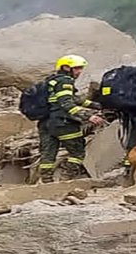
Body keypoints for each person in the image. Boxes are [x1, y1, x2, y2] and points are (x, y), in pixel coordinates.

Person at [38, 55, 106, 183]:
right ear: (66, 67)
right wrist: (88, 116)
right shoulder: (65, 81)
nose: (80, 72)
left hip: (45, 123)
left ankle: (46, 183)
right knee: (78, 152)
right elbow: (67, 104)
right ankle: (66, 179)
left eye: (81, 68)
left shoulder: (51, 81)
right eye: (77, 68)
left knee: (48, 155)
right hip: (63, 123)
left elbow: (73, 99)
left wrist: (97, 105)